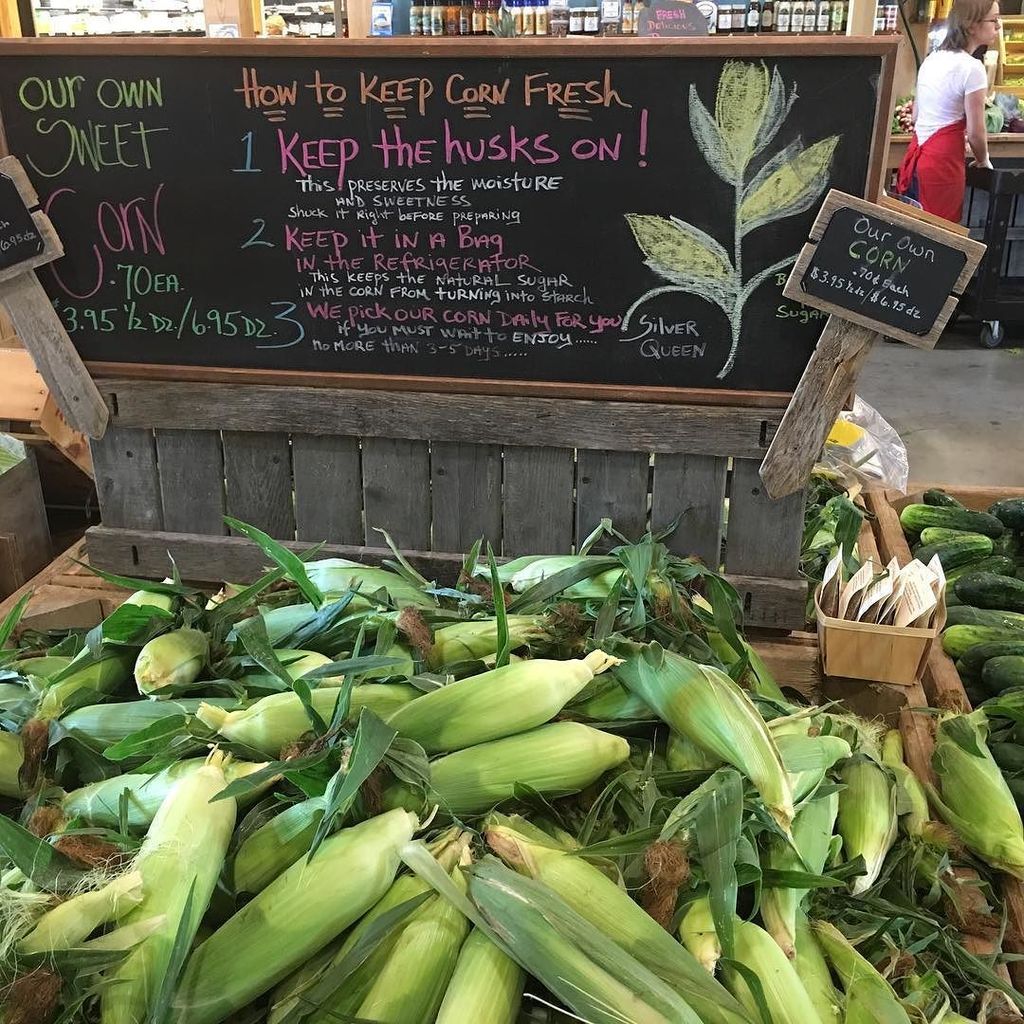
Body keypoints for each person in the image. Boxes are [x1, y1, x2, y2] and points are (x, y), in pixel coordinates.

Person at [896, 0, 999, 223]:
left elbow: (915, 116)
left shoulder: (932, 59)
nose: (998, 26)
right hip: (943, 164)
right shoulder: (972, 68)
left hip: (916, 158)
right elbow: (976, 132)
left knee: (912, 232)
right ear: (971, 25)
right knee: (940, 236)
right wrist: (983, 160)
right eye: (994, 20)